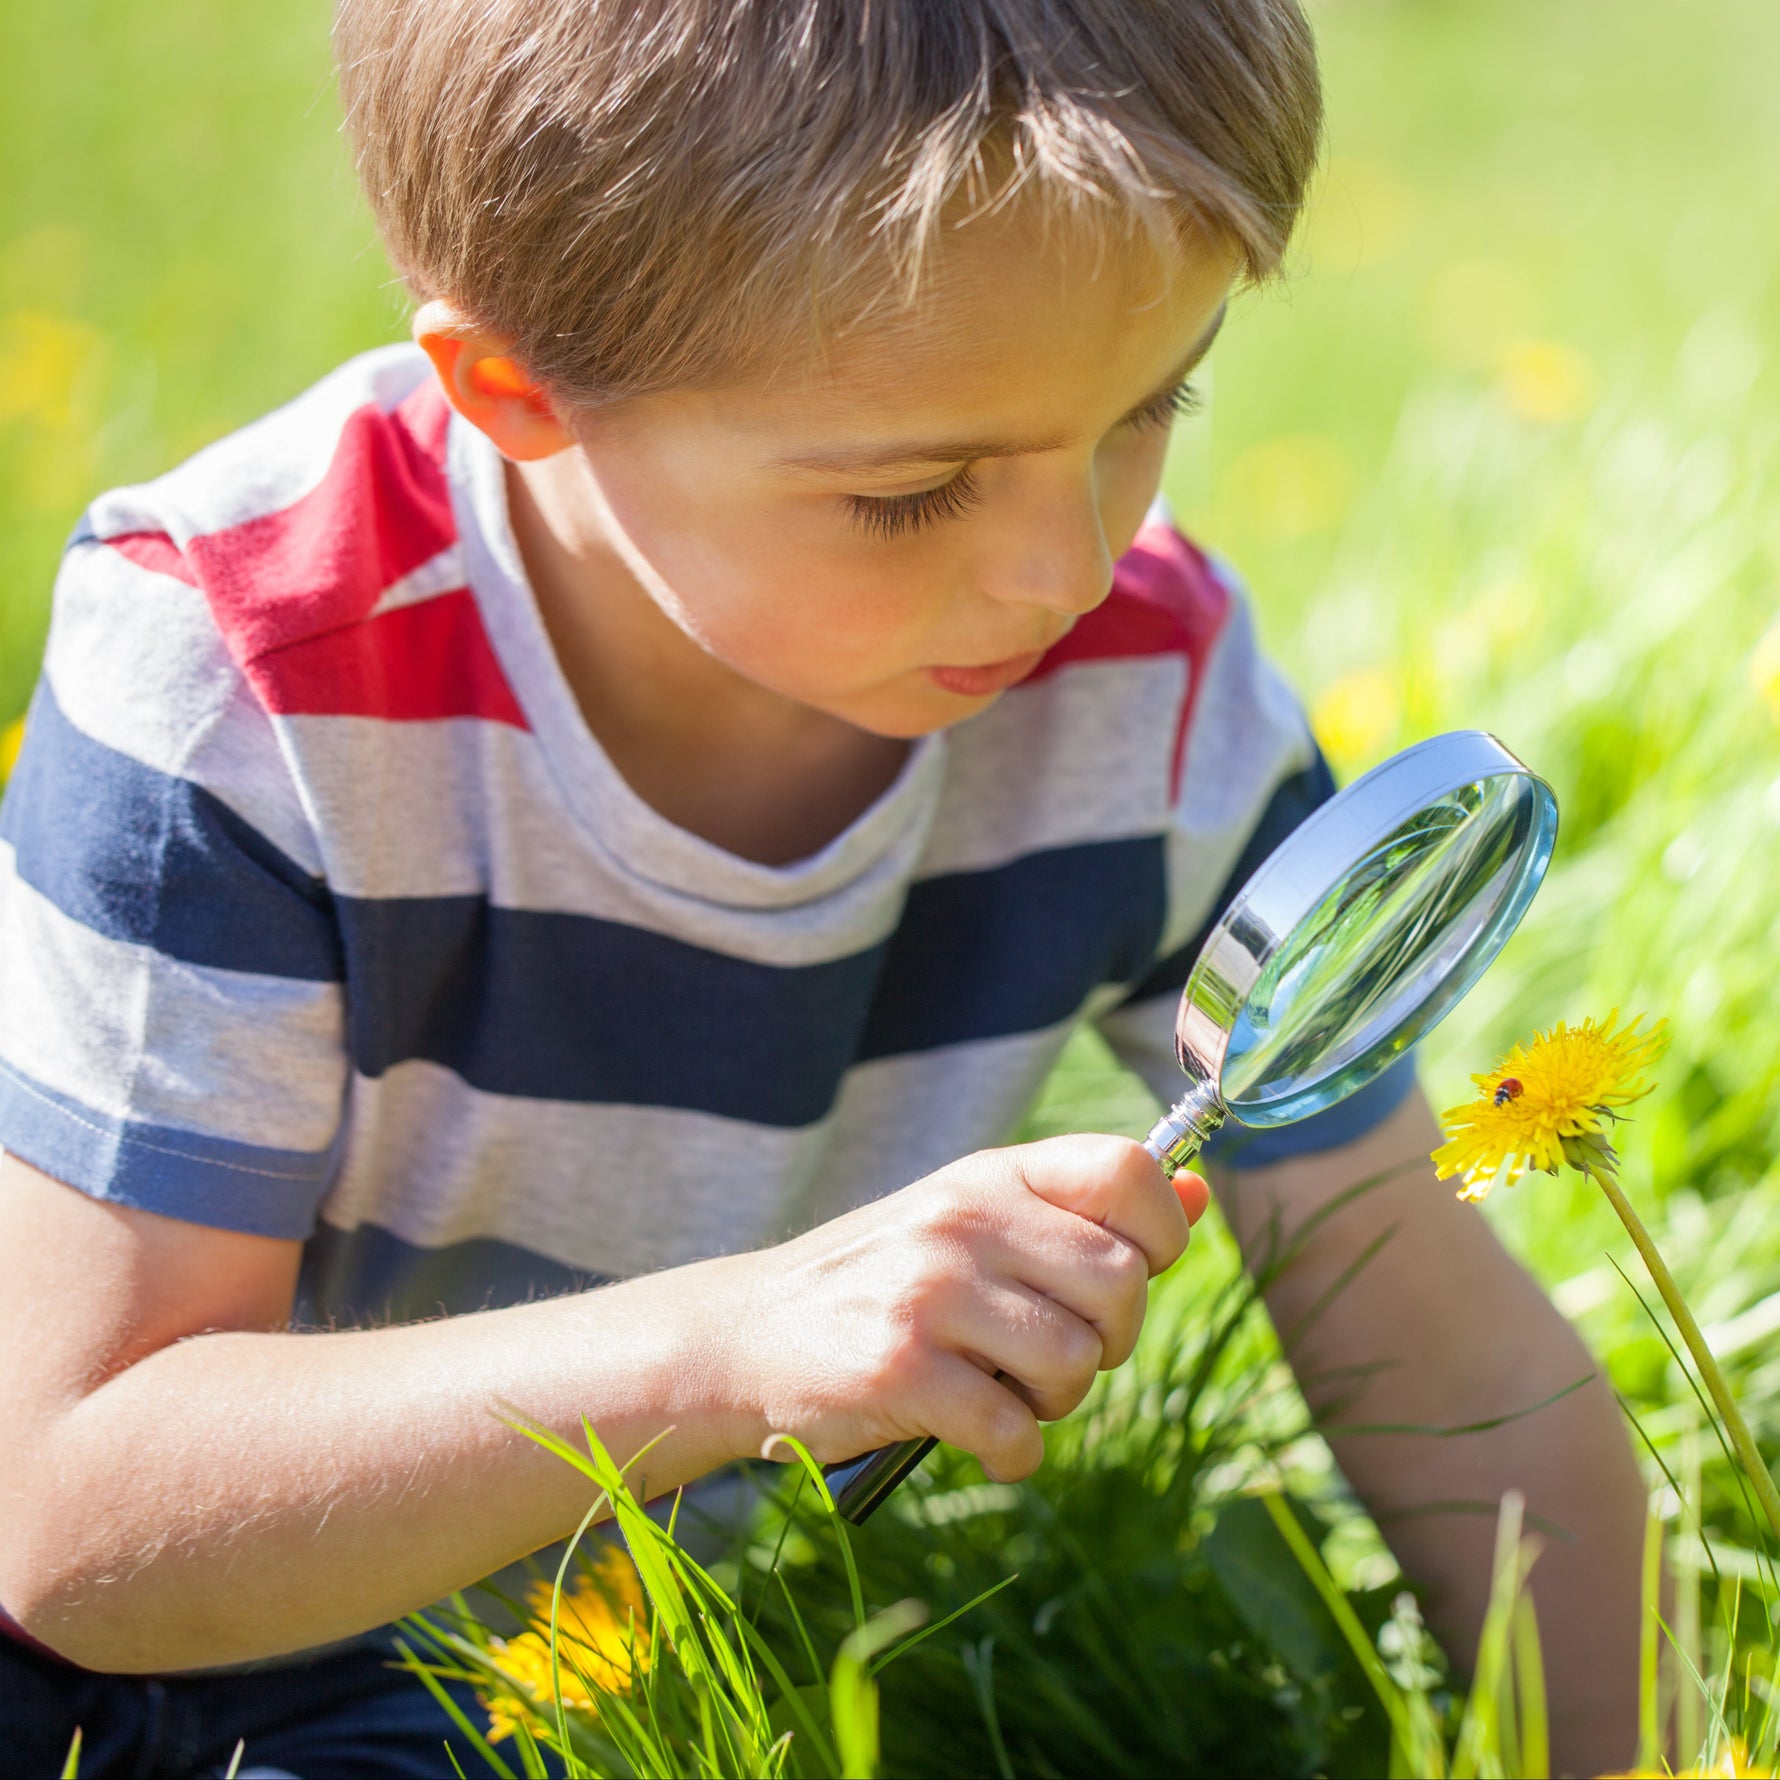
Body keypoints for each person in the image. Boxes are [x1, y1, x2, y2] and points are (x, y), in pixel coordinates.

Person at [0, 1, 1644, 1773]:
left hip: (575, 1685)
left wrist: (1650, 1754)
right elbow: (74, 1524)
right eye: (911, 492)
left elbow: (1433, 1335)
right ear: (520, 391)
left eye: (1152, 404)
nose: (1069, 567)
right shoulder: (254, 684)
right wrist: (727, 1348)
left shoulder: (1143, 694)